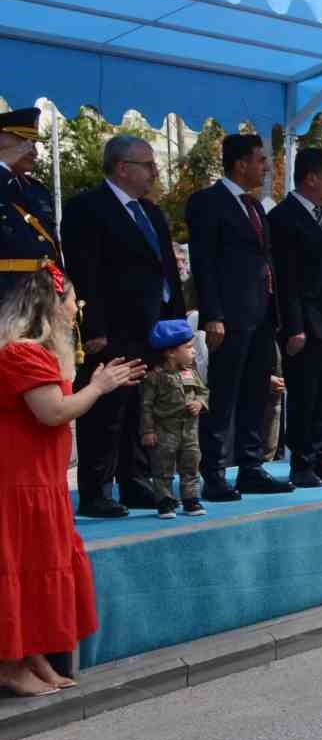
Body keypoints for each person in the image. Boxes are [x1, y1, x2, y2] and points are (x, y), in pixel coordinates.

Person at [1, 266, 144, 695]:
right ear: (49, 304)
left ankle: (31, 655)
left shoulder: (34, 353)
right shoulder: (20, 352)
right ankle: (9, 664)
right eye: (71, 300)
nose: (76, 309)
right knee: (19, 572)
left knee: (36, 570)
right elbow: (54, 411)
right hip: (17, 483)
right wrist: (99, 386)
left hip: (40, 481)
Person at [61, 135, 185, 516]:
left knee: (140, 408)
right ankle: (97, 489)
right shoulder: (87, 207)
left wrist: (175, 322)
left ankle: (136, 482)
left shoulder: (150, 211)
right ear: (122, 167)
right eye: (148, 165)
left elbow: (166, 271)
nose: (154, 172)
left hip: (150, 327)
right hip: (111, 328)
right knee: (106, 409)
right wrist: (93, 326)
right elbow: (85, 270)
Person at [186, 133, 286, 495]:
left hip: (260, 315)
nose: (265, 168)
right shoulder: (208, 202)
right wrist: (213, 313)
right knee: (224, 394)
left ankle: (250, 465)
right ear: (240, 163)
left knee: (256, 392)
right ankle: (212, 472)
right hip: (228, 316)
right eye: (260, 160)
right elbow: (204, 261)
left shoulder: (256, 206)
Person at [267, 147, 322, 488]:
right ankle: (302, 462)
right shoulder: (283, 217)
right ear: (311, 177)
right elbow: (286, 277)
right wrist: (294, 326)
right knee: (305, 394)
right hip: (306, 323)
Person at [140, 319, 209, 518]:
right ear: (171, 353)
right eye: (188, 347)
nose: (194, 351)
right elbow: (146, 406)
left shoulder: (190, 372)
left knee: (191, 464)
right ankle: (165, 501)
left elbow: (203, 392)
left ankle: (191, 500)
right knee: (163, 468)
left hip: (189, 431)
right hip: (165, 432)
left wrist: (199, 403)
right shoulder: (155, 377)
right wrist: (148, 431)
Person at [0, 108, 62, 305]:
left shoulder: (37, 190)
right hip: (6, 299)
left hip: (41, 298)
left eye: (33, 143)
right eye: (23, 142)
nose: (32, 151)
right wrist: (2, 165)